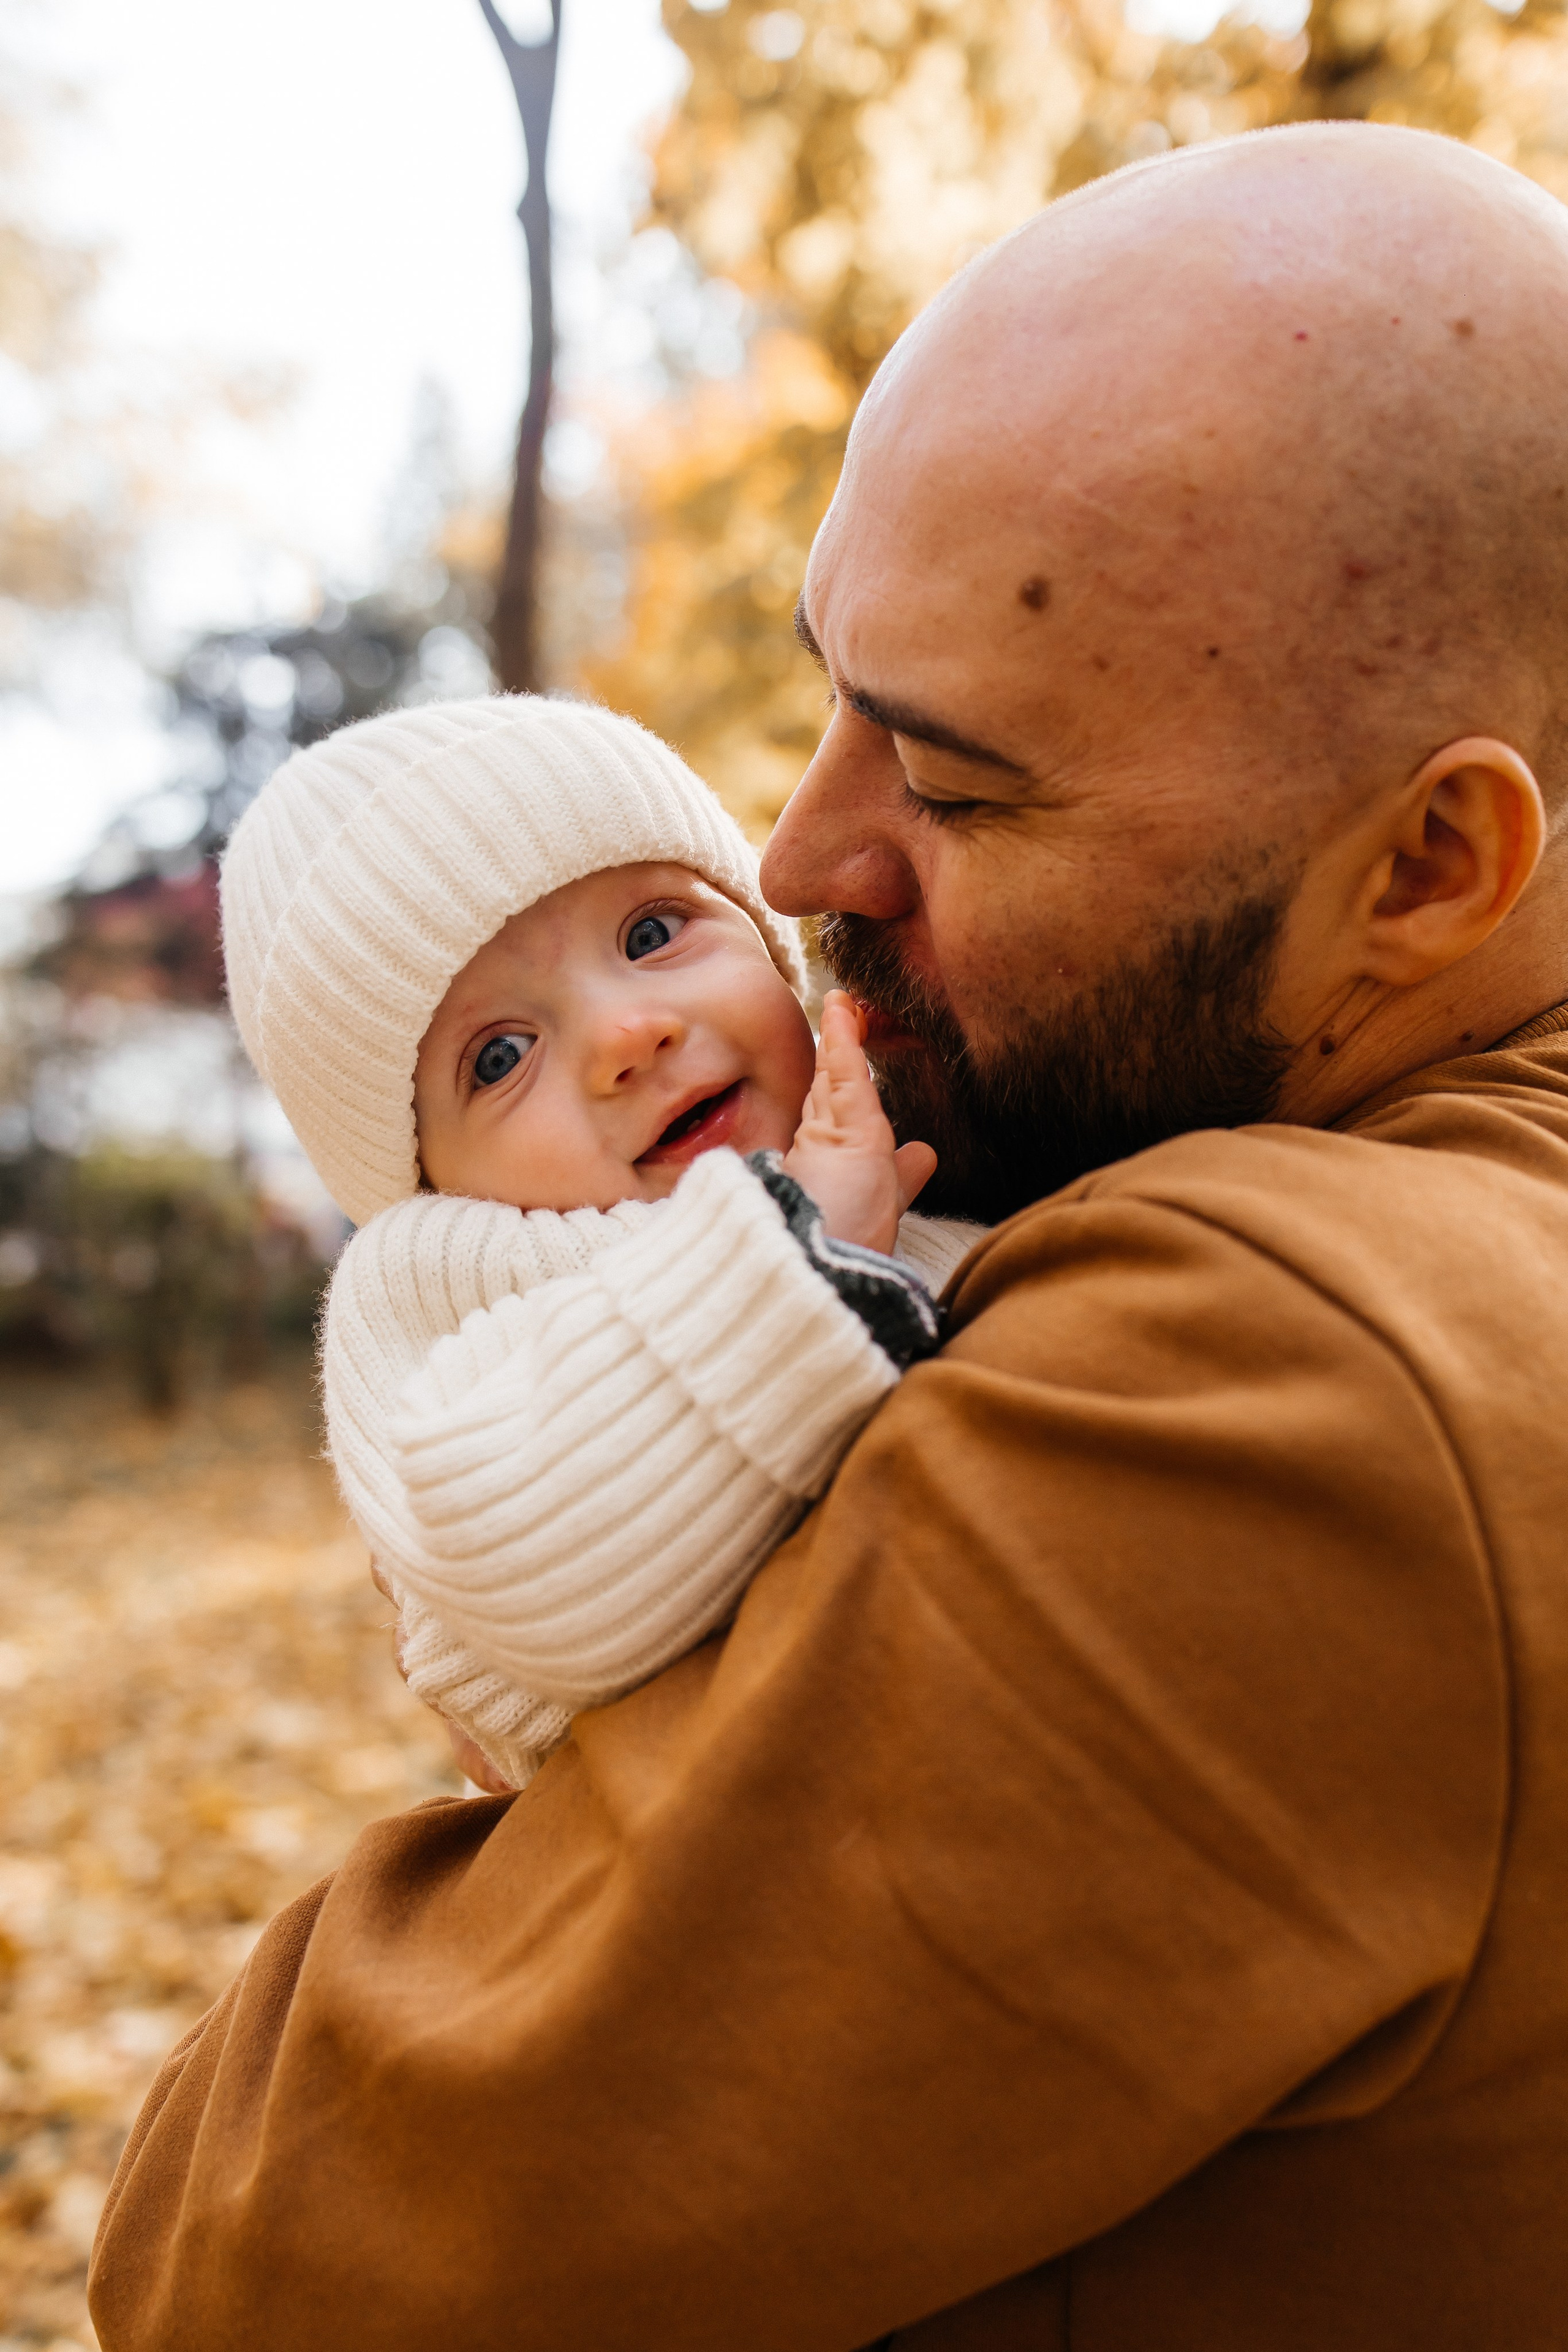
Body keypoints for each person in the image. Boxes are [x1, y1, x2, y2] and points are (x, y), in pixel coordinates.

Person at [90, 121, 1568, 2350]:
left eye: (956, 784)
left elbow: (255, 2258)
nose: (797, 857)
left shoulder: (1284, 1381)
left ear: (1433, 867)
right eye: (826, 696)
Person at [218, 697, 977, 1789]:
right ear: (429, 1178)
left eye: (653, 934)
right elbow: (532, 1570)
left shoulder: (895, 1110)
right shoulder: (447, 1291)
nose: (629, 1034)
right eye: (499, 1057)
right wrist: (808, 1262)